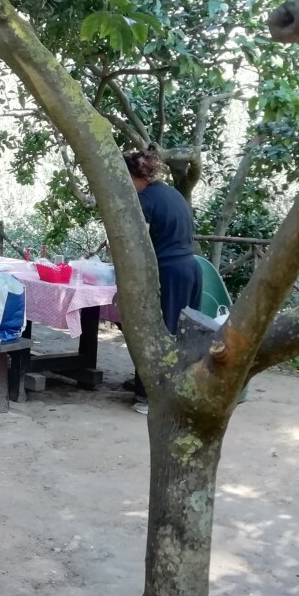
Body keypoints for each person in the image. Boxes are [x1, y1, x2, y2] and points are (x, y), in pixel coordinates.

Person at [123, 149, 202, 415]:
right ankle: (181, 389)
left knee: (160, 331)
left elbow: (140, 247)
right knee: (185, 333)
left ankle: (150, 396)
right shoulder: (172, 193)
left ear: (136, 176)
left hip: (168, 271)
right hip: (191, 268)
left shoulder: (144, 200)